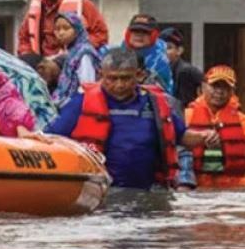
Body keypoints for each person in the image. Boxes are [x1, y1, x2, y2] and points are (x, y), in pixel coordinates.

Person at [47, 47, 218, 190]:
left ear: (138, 75)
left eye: (126, 78)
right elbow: (51, 138)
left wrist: (204, 137)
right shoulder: (81, 103)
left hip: (149, 191)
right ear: (101, 75)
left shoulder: (156, 104)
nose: (119, 84)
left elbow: (181, 136)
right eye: (112, 78)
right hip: (100, 192)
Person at [17, 0, 109, 57]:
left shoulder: (82, 3)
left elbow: (101, 34)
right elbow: (24, 37)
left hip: (72, 58)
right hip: (42, 60)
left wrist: (79, 49)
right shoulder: (36, 7)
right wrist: (27, 53)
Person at [51, 12, 101, 104]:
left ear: (77, 29)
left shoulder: (84, 53)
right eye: (57, 29)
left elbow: (87, 86)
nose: (61, 33)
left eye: (66, 28)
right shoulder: (72, 52)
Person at [122, 14, 174, 94]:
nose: (139, 35)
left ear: (154, 35)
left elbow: (162, 94)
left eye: (145, 32)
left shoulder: (161, 62)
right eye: (134, 31)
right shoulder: (116, 53)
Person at [160, 28, 204, 108]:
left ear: (179, 51)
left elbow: (182, 106)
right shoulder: (160, 70)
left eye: (168, 48)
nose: (163, 52)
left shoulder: (185, 71)